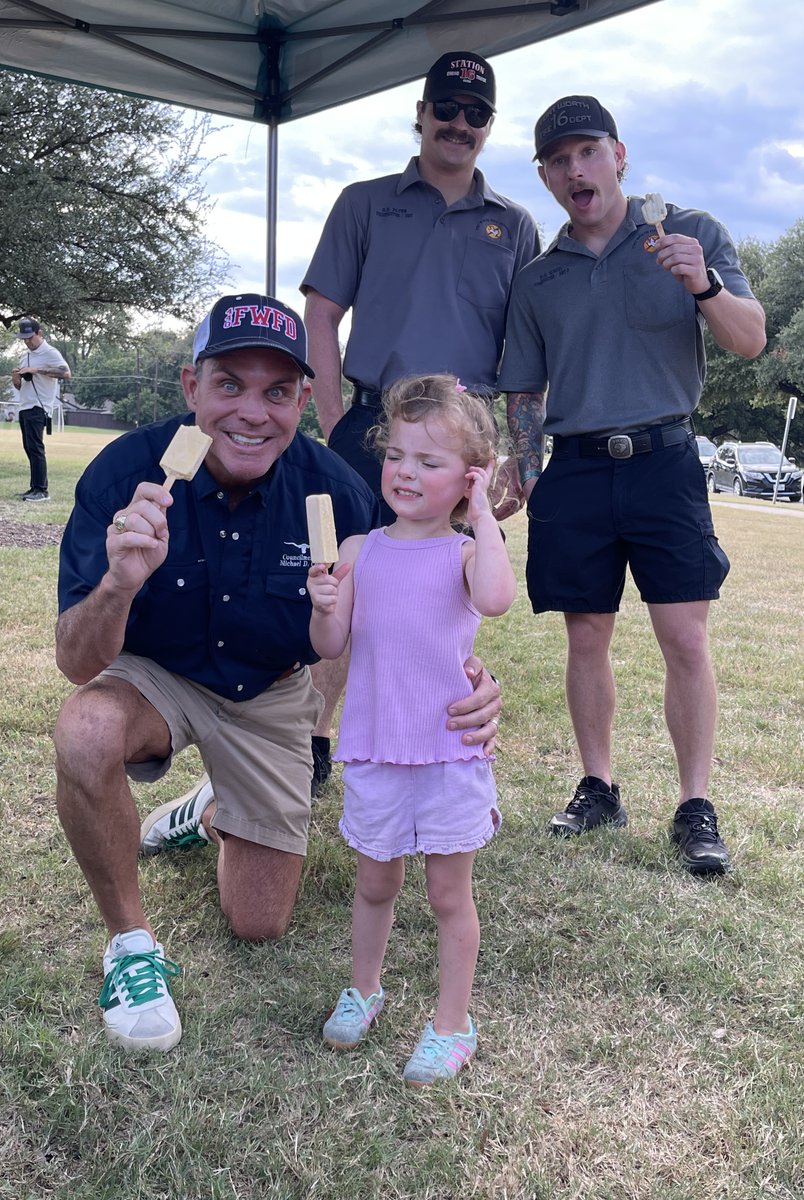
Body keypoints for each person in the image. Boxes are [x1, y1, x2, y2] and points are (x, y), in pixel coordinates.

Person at [53, 293, 502, 1053]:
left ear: (303, 401)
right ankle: (130, 945)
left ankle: (211, 809)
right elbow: (76, 661)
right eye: (230, 384)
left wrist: (472, 678)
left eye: (278, 391)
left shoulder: (338, 492)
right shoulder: (125, 474)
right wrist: (120, 583)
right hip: (156, 679)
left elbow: (407, 601)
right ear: (192, 385)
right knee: (87, 728)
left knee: (259, 921)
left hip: (269, 692)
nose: (252, 413)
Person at [499, 96, 767, 874]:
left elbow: (750, 341)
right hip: (577, 468)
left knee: (685, 637)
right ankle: (599, 786)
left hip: (664, 459)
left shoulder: (689, 233)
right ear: (546, 177)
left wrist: (703, 284)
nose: (575, 170)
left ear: (619, 156)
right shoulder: (539, 277)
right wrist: (527, 469)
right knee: (586, 634)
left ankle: (695, 806)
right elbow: (524, 389)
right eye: (559, 161)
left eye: (588, 152)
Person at [299, 49, 537, 787]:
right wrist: (335, 424)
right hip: (371, 427)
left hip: (460, 441)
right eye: (448, 109)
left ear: (489, 125)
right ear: (422, 113)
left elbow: (526, 353)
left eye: (476, 114)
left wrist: (523, 457)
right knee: (347, 580)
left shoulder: (515, 226)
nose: (460, 124)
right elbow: (321, 315)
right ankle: (313, 740)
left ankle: (426, 742)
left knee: (440, 594)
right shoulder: (365, 203)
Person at [307, 375, 516, 1085]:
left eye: (430, 462)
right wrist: (324, 602)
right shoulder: (361, 549)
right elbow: (331, 643)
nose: (406, 472)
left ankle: (453, 1024)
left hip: (448, 753)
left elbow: (497, 598)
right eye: (396, 455)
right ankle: (364, 989)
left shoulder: (464, 554)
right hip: (376, 749)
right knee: (374, 884)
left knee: (449, 896)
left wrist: (483, 515)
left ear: (468, 476)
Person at [10, 318, 71, 501]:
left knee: (36, 448)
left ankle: (42, 490)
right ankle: (34, 487)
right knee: (29, 448)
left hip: (39, 406)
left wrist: (37, 370)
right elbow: (20, 386)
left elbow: (66, 373)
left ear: (39, 333)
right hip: (25, 405)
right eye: (24, 339)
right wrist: (16, 378)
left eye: (30, 337)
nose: (27, 342)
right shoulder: (24, 356)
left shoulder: (50, 352)